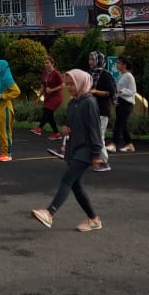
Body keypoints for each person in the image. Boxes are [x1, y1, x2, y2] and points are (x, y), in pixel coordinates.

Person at [30, 69, 102, 232]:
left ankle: (49, 213)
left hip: (86, 149)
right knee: (76, 186)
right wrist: (65, 130)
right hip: (73, 148)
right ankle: (94, 219)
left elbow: (95, 130)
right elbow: (69, 125)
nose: (69, 87)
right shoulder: (72, 103)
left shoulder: (89, 103)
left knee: (67, 179)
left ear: (81, 83)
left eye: (72, 84)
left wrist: (96, 154)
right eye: (67, 84)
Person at [87, 51, 116, 169]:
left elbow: (110, 92)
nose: (90, 62)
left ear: (98, 60)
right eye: (89, 59)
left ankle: (104, 161)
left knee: (99, 136)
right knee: (91, 135)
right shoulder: (89, 73)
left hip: (102, 110)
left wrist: (96, 91)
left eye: (92, 59)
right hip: (91, 109)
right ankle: (94, 159)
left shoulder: (105, 75)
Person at [32, 57, 65, 139]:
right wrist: (38, 97)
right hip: (48, 97)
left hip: (56, 97)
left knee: (47, 111)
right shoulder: (44, 74)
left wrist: (52, 90)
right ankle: (57, 134)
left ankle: (39, 128)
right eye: (45, 63)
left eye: (47, 63)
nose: (45, 65)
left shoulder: (56, 73)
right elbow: (43, 87)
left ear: (52, 64)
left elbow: (62, 85)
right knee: (49, 117)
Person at [110, 56, 136, 153]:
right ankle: (129, 144)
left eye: (119, 63)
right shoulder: (121, 75)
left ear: (124, 65)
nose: (116, 65)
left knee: (119, 123)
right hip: (120, 102)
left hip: (127, 103)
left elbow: (133, 91)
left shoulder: (129, 76)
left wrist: (121, 91)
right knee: (123, 124)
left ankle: (113, 144)